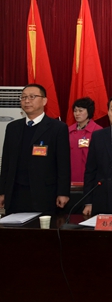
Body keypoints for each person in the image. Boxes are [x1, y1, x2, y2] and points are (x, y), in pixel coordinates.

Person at [0, 84, 70, 215]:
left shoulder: (57, 128)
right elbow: (6, 163)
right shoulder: (12, 128)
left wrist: (63, 192)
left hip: (44, 195)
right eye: (23, 97)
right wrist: (2, 191)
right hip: (15, 195)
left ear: (44, 101)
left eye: (32, 97)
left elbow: (63, 164)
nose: (27, 101)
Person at [68, 97, 103, 183]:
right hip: (70, 175)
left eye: (80, 111)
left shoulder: (98, 131)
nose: (77, 114)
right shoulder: (68, 130)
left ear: (89, 111)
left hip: (89, 177)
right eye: (75, 111)